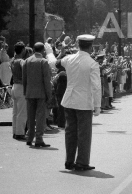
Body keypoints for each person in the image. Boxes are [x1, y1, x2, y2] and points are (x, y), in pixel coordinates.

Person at [57, 35, 101, 171]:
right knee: (84, 133)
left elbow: (54, 63)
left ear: (78, 45)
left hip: (69, 100)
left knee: (70, 132)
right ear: (90, 46)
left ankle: (69, 161)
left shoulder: (69, 59)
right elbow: (96, 87)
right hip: (84, 102)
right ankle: (81, 162)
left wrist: (50, 52)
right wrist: (97, 105)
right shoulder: (92, 63)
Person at [22, 42, 53, 148]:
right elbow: (46, 80)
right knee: (40, 117)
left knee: (30, 116)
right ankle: (39, 139)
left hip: (29, 93)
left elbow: (24, 79)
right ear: (43, 50)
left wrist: (25, 92)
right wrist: (49, 94)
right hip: (41, 93)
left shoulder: (27, 61)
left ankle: (29, 137)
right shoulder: (43, 62)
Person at [10, 42, 27, 140]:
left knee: (15, 112)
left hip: (14, 86)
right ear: (23, 50)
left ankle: (15, 131)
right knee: (22, 112)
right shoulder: (21, 61)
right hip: (21, 87)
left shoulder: (12, 60)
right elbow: (26, 71)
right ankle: (20, 133)